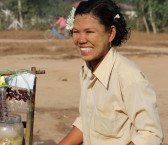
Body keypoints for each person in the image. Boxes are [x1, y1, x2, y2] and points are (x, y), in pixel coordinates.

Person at [58, 0, 164, 145]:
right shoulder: (86, 70)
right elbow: (86, 121)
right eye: (76, 32)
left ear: (111, 33)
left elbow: (150, 135)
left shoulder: (128, 76)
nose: (81, 40)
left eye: (89, 32)